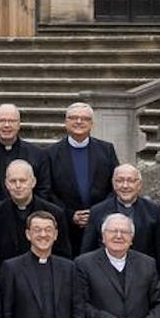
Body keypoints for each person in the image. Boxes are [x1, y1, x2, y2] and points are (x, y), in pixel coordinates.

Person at [44, 103, 120, 250]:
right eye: (74, 118)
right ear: (66, 122)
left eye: (84, 118)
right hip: (65, 228)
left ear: (92, 123)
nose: (79, 122)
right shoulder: (50, 154)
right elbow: (47, 191)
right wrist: (70, 215)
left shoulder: (106, 150)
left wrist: (97, 212)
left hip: (100, 226)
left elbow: (116, 185)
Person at [0, 159, 70, 266]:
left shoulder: (55, 213)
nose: (18, 186)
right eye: (13, 181)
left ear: (33, 182)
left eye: (23, 180)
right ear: (6, 184)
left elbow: (63, 256)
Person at [81, 164, 160, 260]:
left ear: (139, 184)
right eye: (120, 181)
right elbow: (87, 253)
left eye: (131, 181)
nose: (125, 186)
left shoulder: (154, 211)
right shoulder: (97, 211)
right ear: (113, 184)